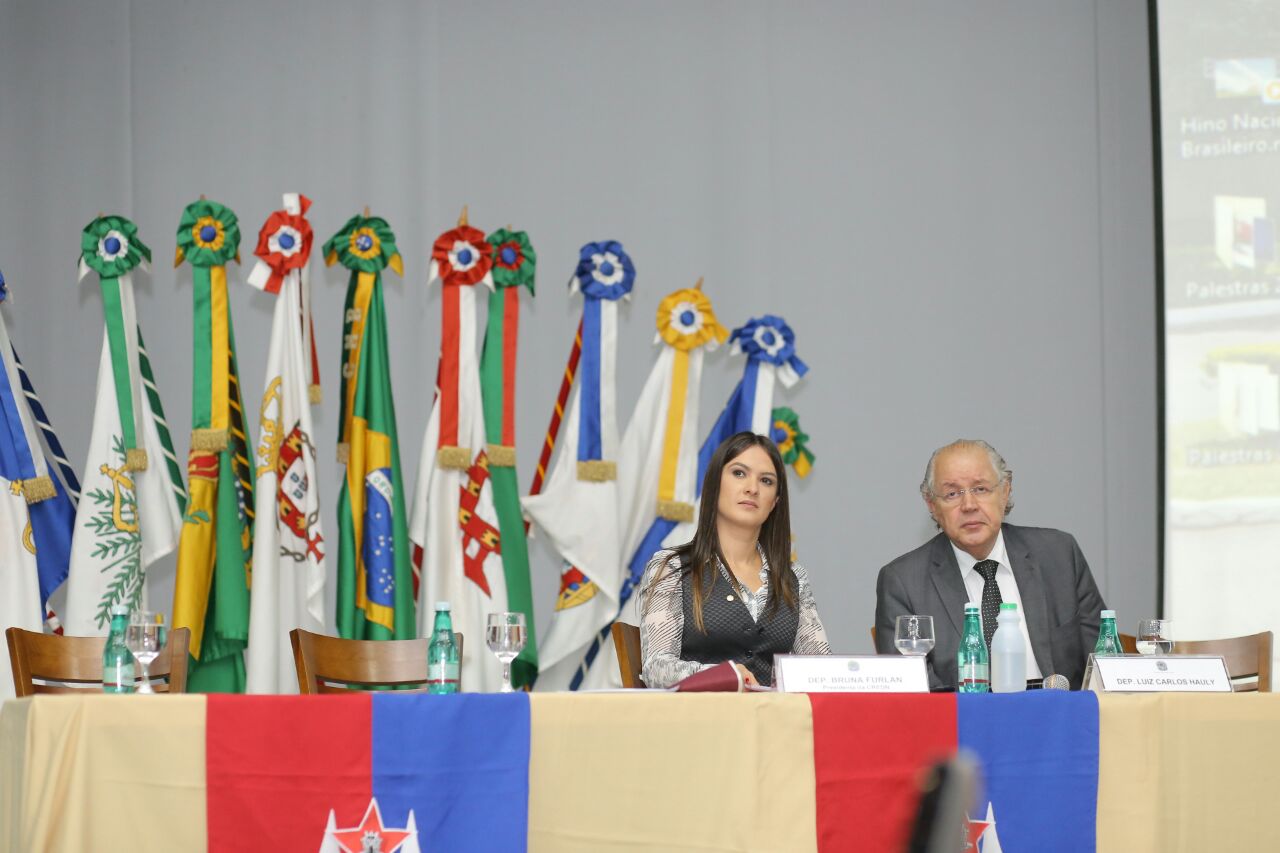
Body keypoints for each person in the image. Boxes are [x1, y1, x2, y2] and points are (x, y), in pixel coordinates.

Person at [874, 439, 1106, 690]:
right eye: (952, 494)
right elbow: (912, 690)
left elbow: (1102, 662)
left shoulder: (1059, 555)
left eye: (981, 489)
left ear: (1005, 492)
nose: (969, 505)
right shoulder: (903, 581)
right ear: (932, 505)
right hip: (964, 723)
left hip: (1059, 717)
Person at [639, 431, 831, 688]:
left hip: (773, 724)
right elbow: (657, 668)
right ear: (714, 484)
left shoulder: (793, 577)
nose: (752, 488)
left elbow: (821, 667)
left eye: (766, 481)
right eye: (739, 473)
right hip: (699, 723)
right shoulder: (671, 568)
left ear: (774, 502)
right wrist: (724, 675)